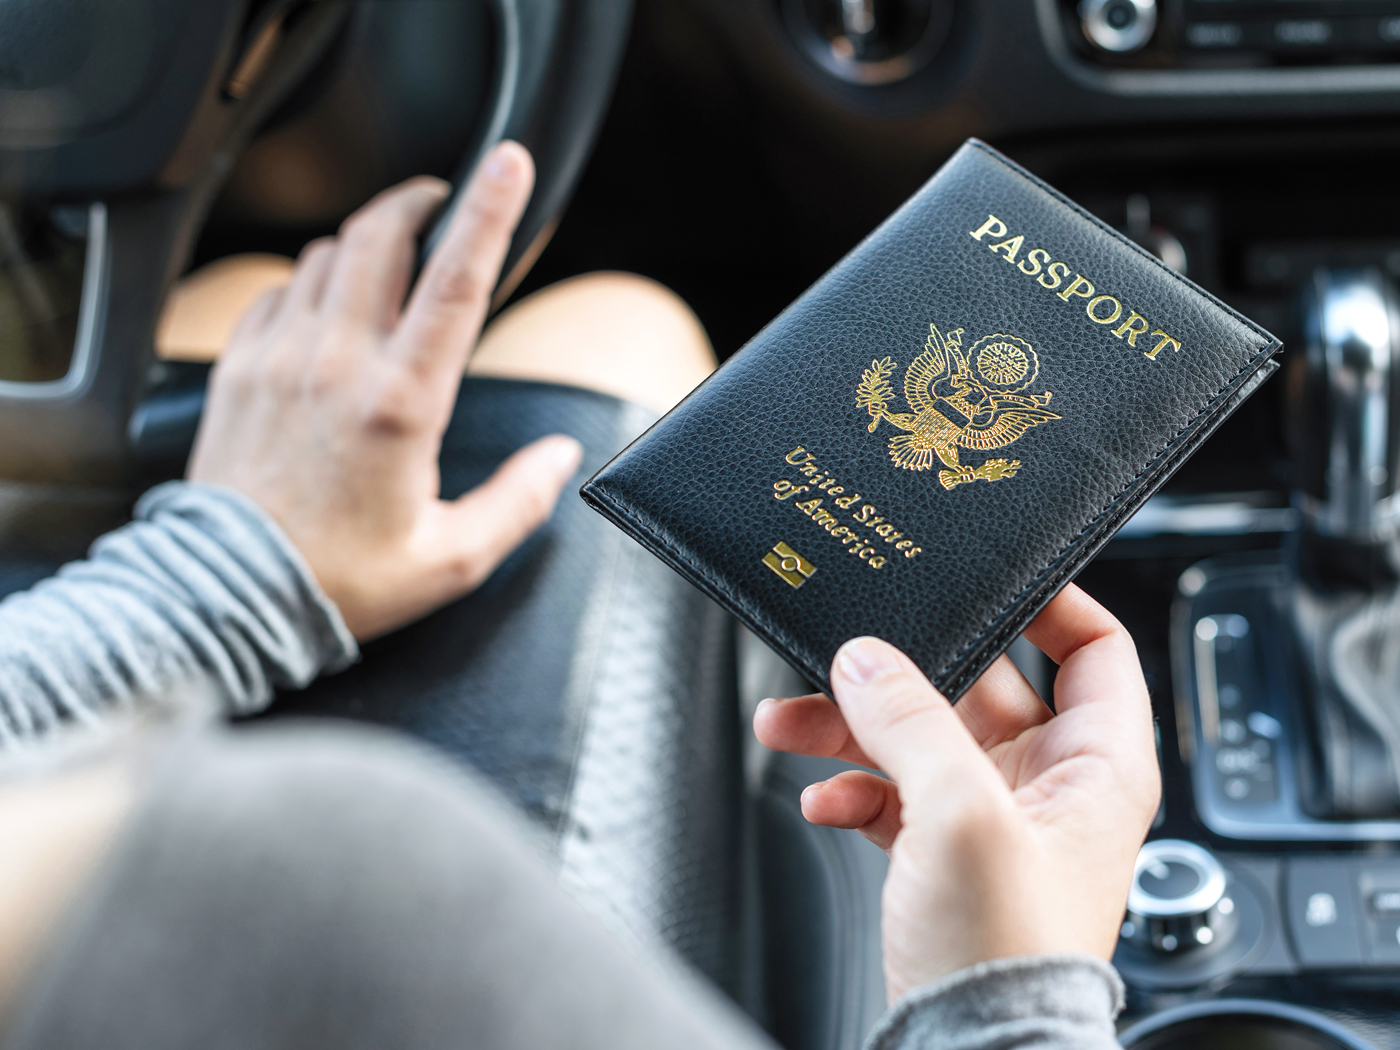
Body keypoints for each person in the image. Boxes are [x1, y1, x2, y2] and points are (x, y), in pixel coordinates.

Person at [0, 141, 1160, 1049]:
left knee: (244, 303)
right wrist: (1013, 1006)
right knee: (621, 326)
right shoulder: (325, 892)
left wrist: (228, 573)